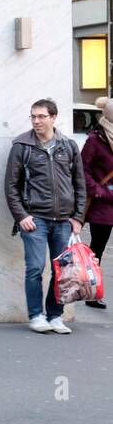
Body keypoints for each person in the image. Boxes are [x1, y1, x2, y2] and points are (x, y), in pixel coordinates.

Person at [4, 98, 85, 334]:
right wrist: (21, 216)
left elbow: (80, 184)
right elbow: (11, 186)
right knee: (35, 268)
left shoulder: (68, 146)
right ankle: (36, 315)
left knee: (61, 270)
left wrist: (78, 217)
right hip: (35, 219)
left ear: (53, 118)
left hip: (64, 220)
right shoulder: (21, 146)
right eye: (33, 116)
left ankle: (55, 315)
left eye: (41, 116)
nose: (36, 121)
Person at [81, 98, 113, 309]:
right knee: (97, 250)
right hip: (103, 205)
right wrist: (100, 191)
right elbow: (82, 170)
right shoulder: (96, 139)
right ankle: (92, 292)